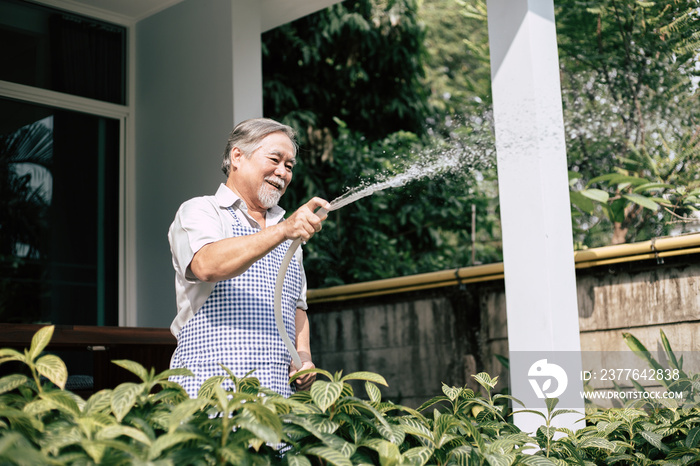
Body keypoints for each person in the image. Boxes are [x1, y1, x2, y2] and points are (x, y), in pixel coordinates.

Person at [167, 118, 330, 398]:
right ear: (237, 156)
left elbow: (296, 306)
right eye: (275, 159)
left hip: (277, 393)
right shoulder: (202, 210)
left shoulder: (288, 232)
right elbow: (207, 265)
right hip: (209, 386)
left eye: (289, 166)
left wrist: (303, 356)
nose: (283, 172)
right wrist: (283, 230)